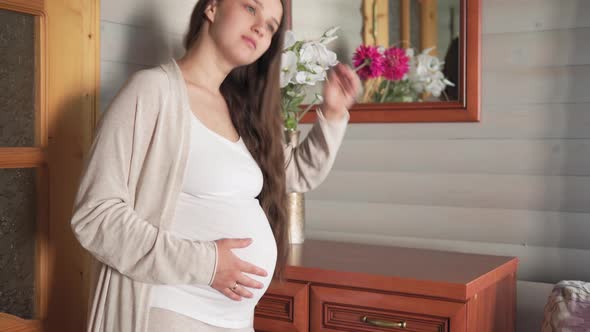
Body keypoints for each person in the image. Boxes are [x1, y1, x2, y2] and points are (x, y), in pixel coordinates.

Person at [69, 0, 360, 331]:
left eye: (272, 25)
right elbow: (94, 215)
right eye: (251, 8)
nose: (261, 27)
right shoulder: (152, 91)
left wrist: (334, 112)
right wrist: (207, 264)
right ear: (211, 8)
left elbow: (295, 174)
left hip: (234, 320)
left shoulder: (240, 109)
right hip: (169, 311)